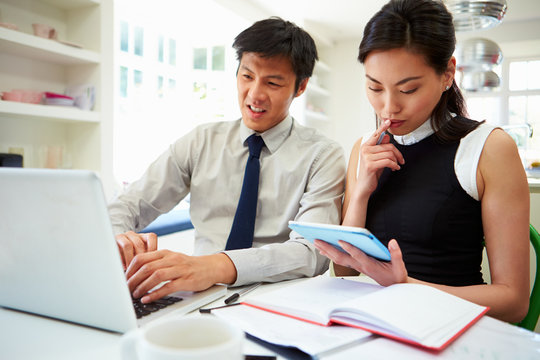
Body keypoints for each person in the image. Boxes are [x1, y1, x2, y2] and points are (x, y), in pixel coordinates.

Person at [314, 0, 530, 323]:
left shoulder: (488, 148)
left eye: (408, 89)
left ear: (447, 74)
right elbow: (344, 268)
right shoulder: (364, 149)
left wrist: (406, 286)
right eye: (374, 87)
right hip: (375, 324)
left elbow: (513, 302)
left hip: (452, 328)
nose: (388, 107)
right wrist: (360, 192)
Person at [108, 17, 346, 304]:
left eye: (272, 82)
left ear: (301, 87)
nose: (255, 95)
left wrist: (214, 266)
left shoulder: (323, 155)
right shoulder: (201, 141)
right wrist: (118, 235)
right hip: (196, 297)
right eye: (247, 77)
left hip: (281, 303)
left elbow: (313, 252)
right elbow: (129, 203)